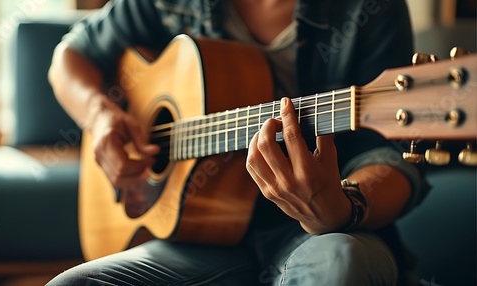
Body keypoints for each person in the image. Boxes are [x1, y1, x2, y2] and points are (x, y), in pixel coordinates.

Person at [47, 0, 429, 285]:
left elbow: (397, 157)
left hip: (326, 236)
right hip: (196, 237)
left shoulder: (367, 7)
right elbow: (69, 57)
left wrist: (342, 207)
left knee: (341, 265)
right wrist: (98, 115)